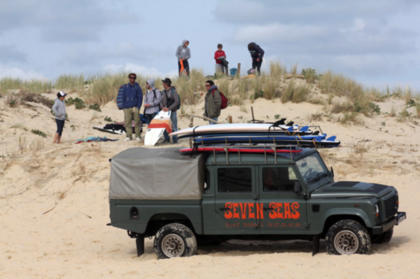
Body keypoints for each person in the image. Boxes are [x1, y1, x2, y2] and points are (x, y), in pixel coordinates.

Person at [118, 73, 143, 141]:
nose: (132, 79)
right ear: (129, 78)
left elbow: (140, 97)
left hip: (135, 107)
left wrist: (138, 106)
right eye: (131, 78)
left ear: (135, 78)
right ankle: (129, 136)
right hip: (127, 107)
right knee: (127, 122)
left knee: (137, 122)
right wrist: (123, 107)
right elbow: (122, 96)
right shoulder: (125, 87)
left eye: (134, 78)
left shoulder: (137, 87)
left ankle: (137, 136)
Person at [160, 78, 180, 143]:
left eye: (163, 83)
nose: (162, 84)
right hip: (164, 111)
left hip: (172, 111)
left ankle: (175, 139)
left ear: (166, 84)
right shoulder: (163, 92)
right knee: (164, 125)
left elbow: (176, 102)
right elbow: (160, 101)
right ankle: (167, 139)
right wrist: (162, 107)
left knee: (174, 126)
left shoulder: (173, 91)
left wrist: (169, 108)